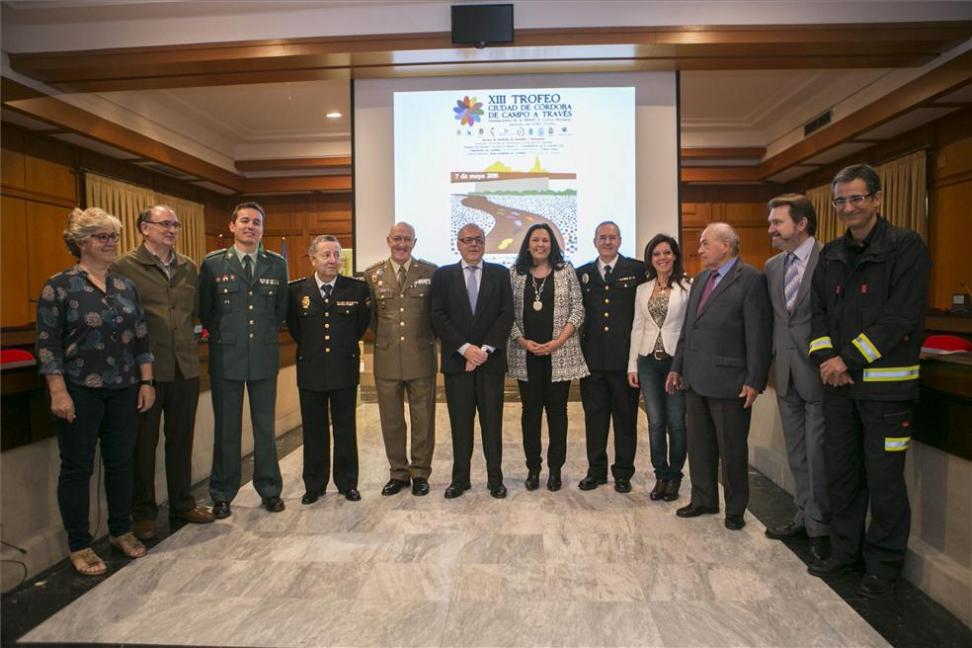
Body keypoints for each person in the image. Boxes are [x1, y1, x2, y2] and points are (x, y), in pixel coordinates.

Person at [807, 163, 930, 598]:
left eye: (856, 198)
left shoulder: (906, 247)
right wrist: (827, 358)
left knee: (884, 481)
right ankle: (845, 553)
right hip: (839, 389)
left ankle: (883, 566)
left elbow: (900, 317)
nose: (848, 208)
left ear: (877, 199)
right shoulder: (831, 254)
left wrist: (847, 359)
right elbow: (818, 313)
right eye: (840, 201)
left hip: (887, 394)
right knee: (842, 476)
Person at [37, 207, 155, 576]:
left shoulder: (125, 286)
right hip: (79, 390)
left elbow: (141, 338)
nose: (111, 243)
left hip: (125, 389)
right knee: (77, 468)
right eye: (103, 236)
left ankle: (120, 530)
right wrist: (58, 391)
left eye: (114, 236)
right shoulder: (59, 286)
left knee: (121, 463)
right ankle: (80, 545)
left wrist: (146, 381)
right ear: (82, 242)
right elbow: (48, 345)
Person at [113, 205, 214, 541]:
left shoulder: (188, 267)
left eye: (176, 224)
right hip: (146, 373)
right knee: (143, 445)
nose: (171, 230)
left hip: (185, 367)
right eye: (164, 224)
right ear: (145, 228)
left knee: (181, 440)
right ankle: (143, 513)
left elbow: (195, 314)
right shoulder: (124, 267)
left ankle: (182, 503)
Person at [666, 222, 772, 530]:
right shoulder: (701, 279)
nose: (699, 249)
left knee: (732, 449)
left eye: (704, 243)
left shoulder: (750, 279)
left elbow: (759, 335)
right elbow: (689, 328)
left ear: (725, 246)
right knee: (699, 446)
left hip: (730, 382)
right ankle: (704, 499)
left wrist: (754, 380)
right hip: (695, 378)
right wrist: (677, 367)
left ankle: (735, 509)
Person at [198, 202, 288, 518]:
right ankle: (222, 493)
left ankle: (270, 489)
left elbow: (280, 310)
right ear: (232, 226)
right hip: (227, 358)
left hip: (263, 356)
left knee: (265, 429)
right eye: (245, 221)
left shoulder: (276, 264)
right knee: (227, 430)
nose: (251, 226)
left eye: (257, 222)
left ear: (262, 229)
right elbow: (206, 311)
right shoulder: (213, 264)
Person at [763, 194, 830, 560]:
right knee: (797, 455)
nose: (770, 229)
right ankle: (803, 516)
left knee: (819, 457)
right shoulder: (773, 266)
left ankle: (821, 526)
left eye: (778, 222)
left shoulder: (829, 259)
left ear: (801, 223)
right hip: (786, 374)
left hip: (819, 373)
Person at [430, 223, 514, 499]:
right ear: (458, 244)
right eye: (468, 240)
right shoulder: (443, 276)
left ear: (485, 244)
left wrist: (483, 351)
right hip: (458, 365)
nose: (473, 244)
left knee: (492, 425)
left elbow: (506, 314)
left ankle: (495, 479)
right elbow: (438, 316)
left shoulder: (500, 274)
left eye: (478, 239)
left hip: (491, 364)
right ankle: (460, 479)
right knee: (460, 425)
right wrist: (466, 349)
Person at [286, 235, 370, 504]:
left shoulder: (356, 289)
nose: (332, 260)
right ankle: (314, 485)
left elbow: (360, 326)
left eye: (336, 255)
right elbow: (295, 328)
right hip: (310, 370)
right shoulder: (296, 291)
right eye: (326, 255)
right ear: (313, 259)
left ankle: (347, 483)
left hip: (343, 369)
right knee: (314, 430)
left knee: (346, 429)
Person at [508, 224, 588, 492]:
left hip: (559, 354)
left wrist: (558, 341)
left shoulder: (566, 271)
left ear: (552, 244)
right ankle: (533, 469)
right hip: (526, 355)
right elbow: (506, 313)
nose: (540, 244)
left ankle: (555, 470)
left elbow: (578, 310)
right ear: (528, 244)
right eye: (535, 240)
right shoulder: (515, 273)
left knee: (558, 413)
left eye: (545, 240)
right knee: (530, 414)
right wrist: (522, 341)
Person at [364, 222, 438, 496]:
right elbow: (373, 320)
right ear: (388, 240)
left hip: (421, 357)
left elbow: (435, 315)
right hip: (387, 359)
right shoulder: (373, 275)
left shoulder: (430, 273)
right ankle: (398, 473)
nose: (401, 244)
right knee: (391, 420)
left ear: (414, 243)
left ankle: (420, 473)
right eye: (397, 238)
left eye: (407, 239)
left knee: (423, 420)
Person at [575, 221, 645, 493]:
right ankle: (596, 471)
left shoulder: (637, 271)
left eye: (612, 237)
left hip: (624, 362)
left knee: (626, 420)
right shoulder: (582, 273)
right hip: (592, 362)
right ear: (594, 241)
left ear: (620, 240)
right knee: (595, 419)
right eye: (602, 237)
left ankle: (623, 473)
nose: (607, 242)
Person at [627, 234, 689, 502]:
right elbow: (637, 327)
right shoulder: (643, 289)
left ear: (674, 255)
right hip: (648, 361)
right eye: (656, 254)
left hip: (676, 362)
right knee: (655, 422)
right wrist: (632, 366)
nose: (662, 258)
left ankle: (675, 476)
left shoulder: (687, 287)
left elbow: (689, 330)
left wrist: (683, 365)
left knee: (676, 423)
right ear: (650, 259)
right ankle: (660, 475)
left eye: (667, 252)